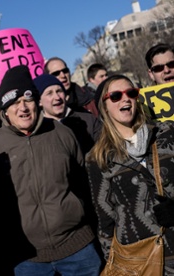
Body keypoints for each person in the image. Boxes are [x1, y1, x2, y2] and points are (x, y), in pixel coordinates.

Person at [0, 65, 102, 275]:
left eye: (27, 100)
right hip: (25, 258)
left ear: (37, 102)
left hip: (78, 250)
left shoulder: (62, 133)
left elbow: (84, 183)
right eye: (14, 103)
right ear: (5, 110)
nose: (22, 108)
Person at [86, 74, 174, 274]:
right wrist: (117, 265)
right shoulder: (98, 158)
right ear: (104, 106)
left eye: (131, 93)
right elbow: (105, 220)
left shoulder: (167, 133)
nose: (125, 99)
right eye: (116, 96)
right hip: (141, 261)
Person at [33, 73, 102, 155]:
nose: (57, 97)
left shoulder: (89, 121)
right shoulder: (36, 132)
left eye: (59, 91)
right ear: (39, 101)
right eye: (49, 93)